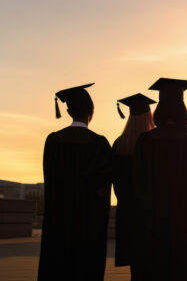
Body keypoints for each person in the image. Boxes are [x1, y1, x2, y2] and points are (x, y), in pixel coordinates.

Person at [131, 78, 187, 281]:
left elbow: (137, 182)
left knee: (155, 267)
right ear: (182, 107)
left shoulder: (146, 140)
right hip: (185, 219)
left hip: (153, 220)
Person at [39, 83, 112, 280]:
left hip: (58, 222)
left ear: (69, 110)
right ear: (91, 111)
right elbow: (103, 189)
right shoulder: (99, 143)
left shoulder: (53, 141)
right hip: (88, 226)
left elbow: (50, 181)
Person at [111, 93, 156, 272]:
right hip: (152, 214)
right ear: (149, 115)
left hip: (128, 213)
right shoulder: (154, 144)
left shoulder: (119, 144)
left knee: (136, 269)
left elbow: (116, 184)